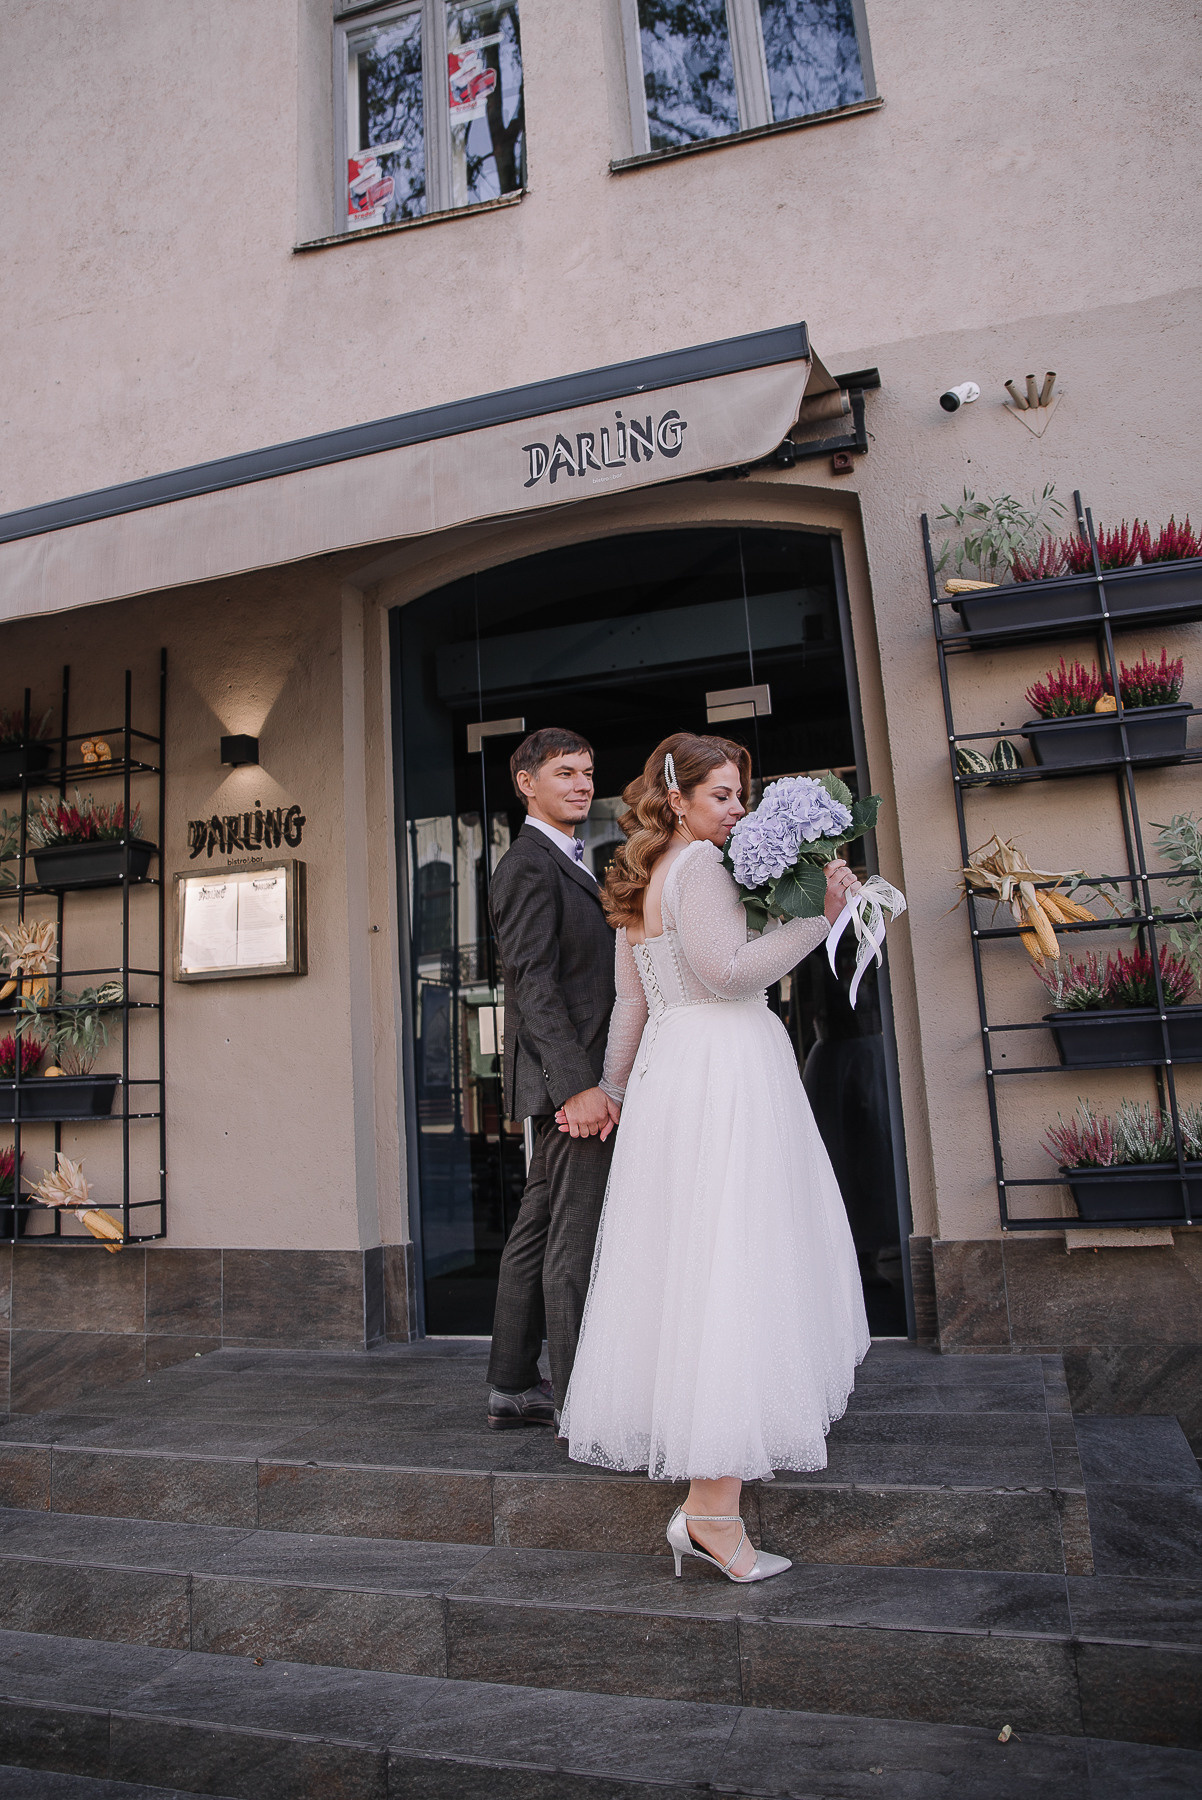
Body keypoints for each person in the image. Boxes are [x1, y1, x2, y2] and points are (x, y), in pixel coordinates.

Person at [559, 731, 870, 1581]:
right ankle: (712, 1514)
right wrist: (822, 916)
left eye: (742, 795)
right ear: (680, 797)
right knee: (733, 1267)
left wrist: (616, 1090)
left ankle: (711, 1506)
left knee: (701, 1269)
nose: (738, 810)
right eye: (725, 796)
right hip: (723, 1066)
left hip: (674, 1071)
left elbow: (633, 1000)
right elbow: (729, 972)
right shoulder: (697, 867)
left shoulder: (645, 876)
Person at [485, 727, 619, 1432]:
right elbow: (531, 984)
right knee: (573, 1238)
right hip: (575, 1087)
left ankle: (511, 1384)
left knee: (537, 1230)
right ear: (526, 782)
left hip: (573, 1081)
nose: (581, 782)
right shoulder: (528, 865)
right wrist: (576, 1086)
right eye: (564, 771)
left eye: (588, 770)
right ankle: (578, 1399)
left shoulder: (571, 858)